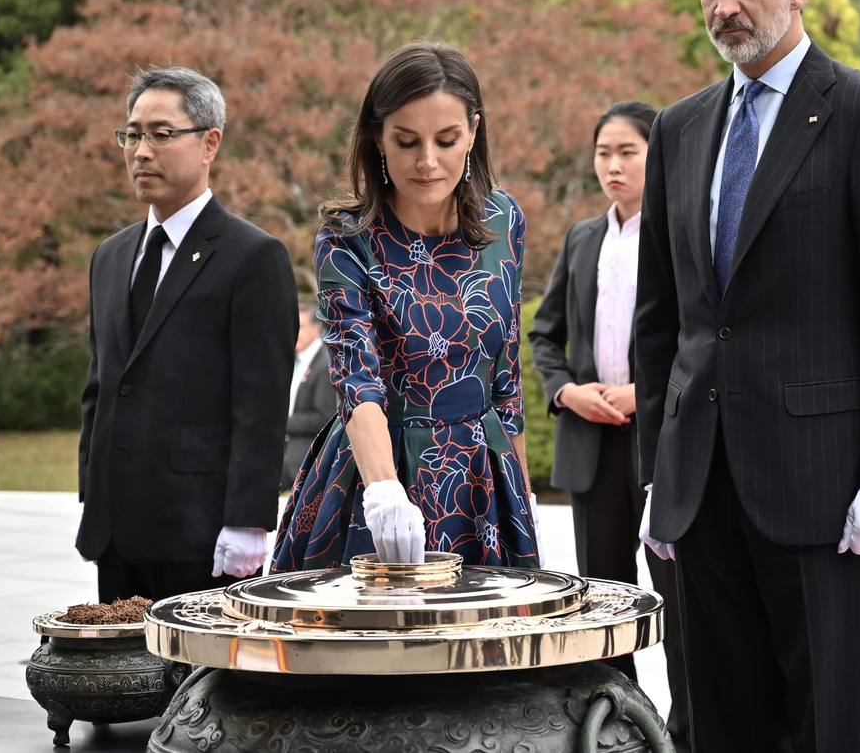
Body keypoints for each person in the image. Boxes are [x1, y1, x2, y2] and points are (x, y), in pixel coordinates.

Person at [634, 0, 860, 751]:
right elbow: (663, 320)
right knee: (720, 722)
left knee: (826, 726)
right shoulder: (679, 127)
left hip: (826, 491)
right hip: (700, 492)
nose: (722, 5)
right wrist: (656, 476)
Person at [271, 41, 539, 570]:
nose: (427, 162)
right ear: (376, 139)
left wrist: (521, 488)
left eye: (446, 140)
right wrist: (385, 491)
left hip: (482, 477)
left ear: (474, 131)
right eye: (406, 141)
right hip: (377, 471)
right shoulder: (347, 238)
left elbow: (506, 377)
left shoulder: (503, 220)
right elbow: (356, 378)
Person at [78, 66, 297, 603]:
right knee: (119, 681)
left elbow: (261, 401)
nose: (141, 151)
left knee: (193, 687)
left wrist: (248, 520)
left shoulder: (252, 257)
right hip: (116, 529)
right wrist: (92, 489)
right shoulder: (111, 256)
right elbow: (102, 384)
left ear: (209, 144)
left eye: (161, 133)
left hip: (201, 534)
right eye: (132, 134)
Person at [528, 100, 691, 750]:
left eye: (628, 152)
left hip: (663, 446)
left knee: (678, 601)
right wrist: (567, 390)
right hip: (592, 444)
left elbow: (700, 341)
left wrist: (640, 392)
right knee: (603, 600)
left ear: (658, 157)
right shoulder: (582, 238)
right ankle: (620, 727)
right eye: (603, 153)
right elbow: (544, 336)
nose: (613, 166)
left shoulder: (682, 236)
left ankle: (687, 728)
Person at [281, 302, 336, 490]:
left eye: (301, 326)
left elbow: (325, 417)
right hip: (287, 456)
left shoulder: (324, 363)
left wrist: (279, 422)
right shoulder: (296, 360)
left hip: (306, 460)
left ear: (316, 327)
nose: (294, 330)